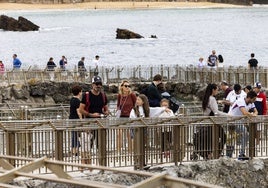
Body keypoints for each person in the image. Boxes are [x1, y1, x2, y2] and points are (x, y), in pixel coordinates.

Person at [78, 76, 109, 150]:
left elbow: (106, 108)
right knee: (87, 145)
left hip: (101, 123)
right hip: (89, 123)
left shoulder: (103, 95)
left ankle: (101, 158)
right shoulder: (87, 95)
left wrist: (106, 112)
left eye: (100, 84)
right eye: (96, 84)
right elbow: (81, 110)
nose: (98, 86)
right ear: (92, 84)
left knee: (101, 144)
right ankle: (88, 157)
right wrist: (91, 115)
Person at [197, 83, 227, 159]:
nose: (217, 91)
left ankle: (209, 154)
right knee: (223, 137)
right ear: (213, 90)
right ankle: (216, 153)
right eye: (217, 90)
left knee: (209, 139)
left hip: (207, 122)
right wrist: (228, 115)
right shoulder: (212, 99)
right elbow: (216, 112)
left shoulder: (206, 98)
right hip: (213, 122)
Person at [228, 90, 258, 160]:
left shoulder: (251, 103)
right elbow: (244, 112)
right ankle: (231, 156)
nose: (254, 101)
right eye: (253, 99)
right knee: (232, 138)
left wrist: (254, 114)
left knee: (244, 135)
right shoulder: (240, 101)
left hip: (239, 121)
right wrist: (253, 115)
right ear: (249, 98)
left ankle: (241, 154)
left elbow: (256, 111)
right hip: (232, 120)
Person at [116, 80, 137, 152]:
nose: (127, 87)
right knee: (119, 134)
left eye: (129, 86)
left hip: (129, 117)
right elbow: (118, 105)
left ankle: (130, 151)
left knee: (129, 135)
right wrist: (117, 112)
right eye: (126, 86)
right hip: (121, 117)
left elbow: (136, 105)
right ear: (122, 87)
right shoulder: (120, 95)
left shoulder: (132, 95)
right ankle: (118, 151)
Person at [69, 85, 83, 156]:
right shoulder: (77, 101)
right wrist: (81, 120)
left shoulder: (72, 99)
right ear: (79, 92)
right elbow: (78, 111)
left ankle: (74, 150)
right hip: (76, 120)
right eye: (81, 91)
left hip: (71, 119)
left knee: (74, 135)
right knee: (76, 135)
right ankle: (75, 151)